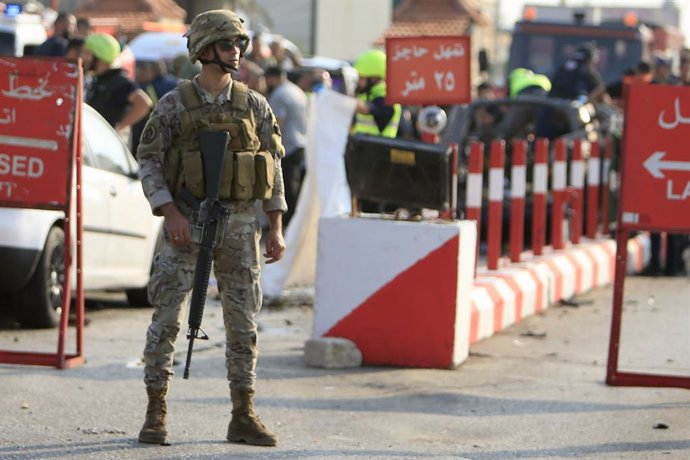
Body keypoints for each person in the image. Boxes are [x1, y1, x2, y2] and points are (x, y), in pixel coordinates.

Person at [135, 9, 287, 447]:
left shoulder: (254, 104)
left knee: (243, 323)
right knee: (166, 318)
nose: (236, 52)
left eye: (240, 44)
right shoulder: (174, 104)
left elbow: (272, 165)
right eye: (227, 44)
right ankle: (155, 411)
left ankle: (243, 413)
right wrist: (170, 212)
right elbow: (149, 160)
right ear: (204, 50)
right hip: (187, 222)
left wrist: (274, 224)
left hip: (239, 227)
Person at [82, 33, 152, 135]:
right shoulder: (98, 79)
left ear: (100, 55)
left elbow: (144, 104)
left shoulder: (118, 80)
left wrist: (119, 128)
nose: (84, 57)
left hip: (106, 146)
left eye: (88, 53)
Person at [265, 65, 307, 227]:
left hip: (286, 147)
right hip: (300, 143)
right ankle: (293, 223)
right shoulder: (296, 91)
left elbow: (277, 123)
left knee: (285, 188)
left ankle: (286, 224)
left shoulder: (279, 95)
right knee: (294, 187)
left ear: (272, 78)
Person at [131, 59, 178, 155]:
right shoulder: (176, 83)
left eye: (139, 70)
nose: (137, 74)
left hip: (152, 136)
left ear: (150, 71)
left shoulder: (146, 88)